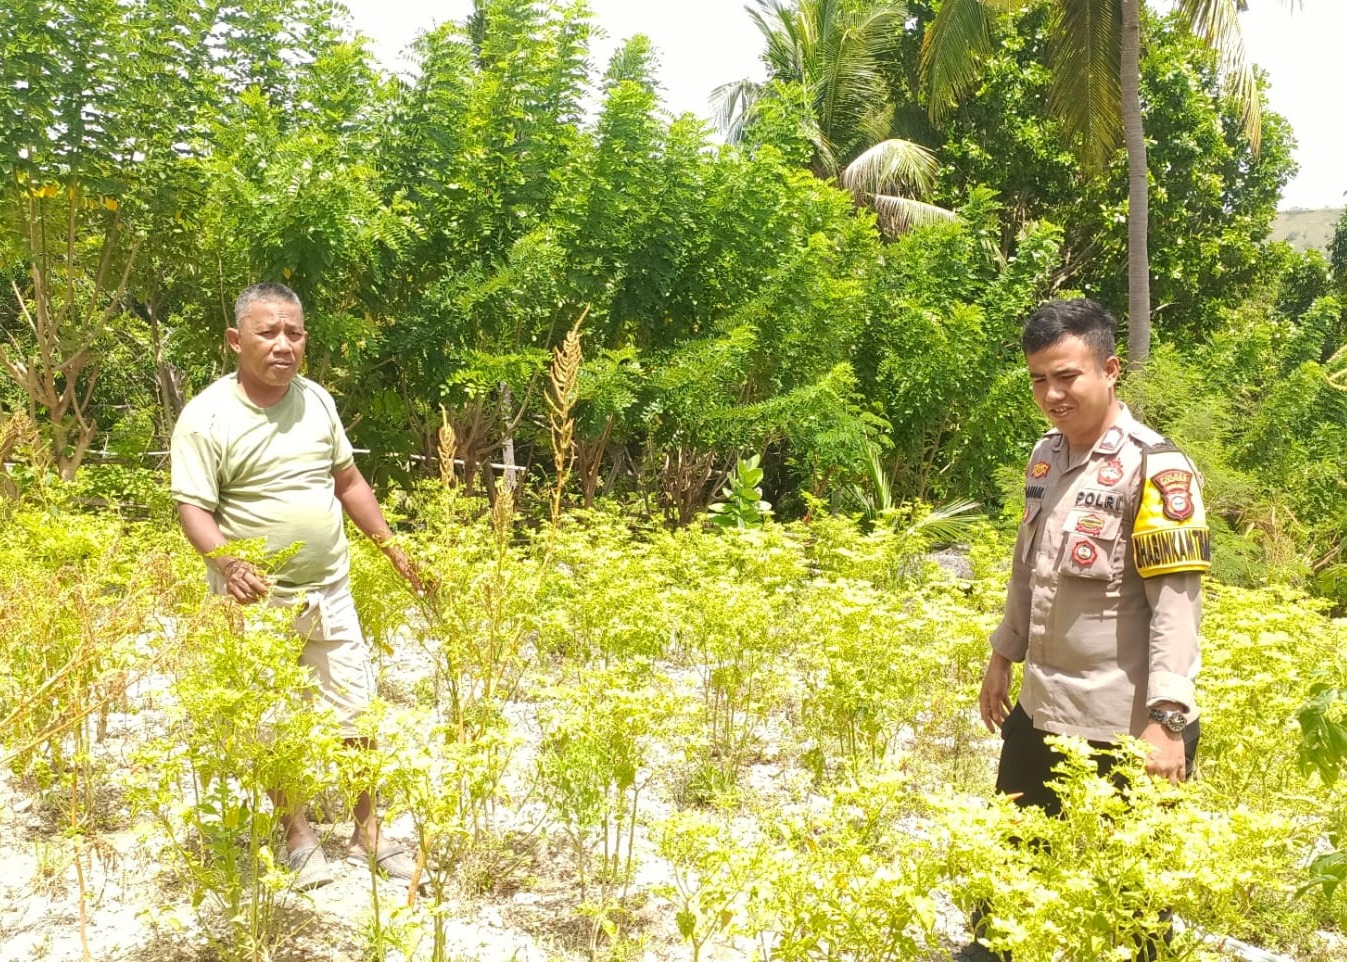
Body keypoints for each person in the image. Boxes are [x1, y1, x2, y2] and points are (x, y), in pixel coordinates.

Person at [971, 298, 1210, 956]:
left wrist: (1166, 722)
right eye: (1038, 380)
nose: (1051, 394)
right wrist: (1002, 656)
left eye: (1066, 376)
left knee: (1137, 904)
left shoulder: (1156, 468)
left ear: (1108, 370)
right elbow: (1028, 569)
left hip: (1125, 722)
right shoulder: (1044, 457)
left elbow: (1176, 605)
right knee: (1006, 877)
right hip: (1043, 706)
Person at [171, 282, 425, 890]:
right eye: (268, 332)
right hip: (255, 597)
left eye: (294, 333)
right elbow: (193, 508)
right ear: (235, 340)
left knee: (357, 712)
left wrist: (393, 547)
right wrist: (229, 564)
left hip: (329, 588)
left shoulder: (317, 401)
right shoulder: (206, 417)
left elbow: (349, 481)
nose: (283, 344)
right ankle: (298, 835)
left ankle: (368, 832)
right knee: (272, 721)